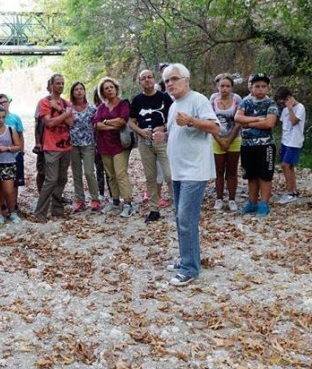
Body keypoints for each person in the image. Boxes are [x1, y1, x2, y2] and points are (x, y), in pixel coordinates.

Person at [153, 63, 220, 286]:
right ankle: (186, 260)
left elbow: (215, 127)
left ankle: (190, 268)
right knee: (181, 218)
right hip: (179, 171)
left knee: (186, 218)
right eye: (166, 81)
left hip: (195, 170)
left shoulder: (198, 100)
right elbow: (177, 130)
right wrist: (163, 133)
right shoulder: (173, 105)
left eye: (174, 79)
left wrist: (190, 120)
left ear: (186, 80)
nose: (170, 84)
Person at [129, 69, 174, 222]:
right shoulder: (137, 100)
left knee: (169, 174)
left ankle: (178, 207)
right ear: (140, 82)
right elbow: (130, 121)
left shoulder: (165, 98)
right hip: (144, 141)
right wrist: (140, 131)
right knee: (150, 176)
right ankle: (154, 209)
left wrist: (163, 127)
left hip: (162, 140)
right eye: (143, 78)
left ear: (154, 79)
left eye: (150, 77)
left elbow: (173, 117)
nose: (147, 80)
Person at [235, 73, 279, 216]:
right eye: (257, 86)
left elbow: (269, 123)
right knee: (251, 175)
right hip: (247, 145)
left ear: (268, 87)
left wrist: (247, 123)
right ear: (251, 88)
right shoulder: (245, 102)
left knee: (265, 175)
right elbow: (237, 118)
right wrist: (256, 120)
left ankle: (264, 203)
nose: (260, 89)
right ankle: (252, 202)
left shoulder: (271, 103)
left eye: (263, 86)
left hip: (265, 145)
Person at [33, 74, 74, 222]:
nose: (60, 86)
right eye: (57, 83)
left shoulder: (66, 103)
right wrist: (64, 115)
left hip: (66, 146)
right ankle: (40, 212)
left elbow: (71, 122)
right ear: (51, 85)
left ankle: (57, 209)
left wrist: (60, 111)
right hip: (51, 146)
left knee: (62, 179)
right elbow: (48, 123)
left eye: (62, 83)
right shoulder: (44, 102)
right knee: (51, 179)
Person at [94, 77, 135, 218]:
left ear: (116, 88)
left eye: (111, 87)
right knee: (111, 175)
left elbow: (122, 122)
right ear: (103, 92)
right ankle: (116, 201)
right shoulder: (101, 107)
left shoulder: (123, 103)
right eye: (106, 88)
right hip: (104, 145)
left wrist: (105, 122)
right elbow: (96, 125)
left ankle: (128, 203)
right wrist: (111, 123)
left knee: (120, 174)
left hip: (120, 144)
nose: (109, 90)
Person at [0, 94, 25, 209]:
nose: (0, 120)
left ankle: (12, 209)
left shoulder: (12, 125)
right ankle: (0, 211)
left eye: (3, 117)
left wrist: (12, 150)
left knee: (10, 188)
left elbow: (19, 142)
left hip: (10, 161)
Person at [210, 74, 242, 212]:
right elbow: (209, 120)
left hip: (234, 139)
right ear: (217, 86)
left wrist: (229, 140)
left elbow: (239, 121)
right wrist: (220, 140)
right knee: (219, 170)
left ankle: (232, 199)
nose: (224, 89)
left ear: (232, 87)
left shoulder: (237, 100)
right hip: (217, 138)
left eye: (228, 86)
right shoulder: (212, 99)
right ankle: (218, 199)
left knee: (232, 170)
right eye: (222, 86)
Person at [69, 82, 101, 213]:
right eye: (76, 89)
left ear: (84, 91)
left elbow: (97, 127)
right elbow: (67, 123)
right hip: (73, 144)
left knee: (89, 172)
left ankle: (95, 199)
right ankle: (79, 200)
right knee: (76, 173)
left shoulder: (92, 108)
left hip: (88, 143)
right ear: (72, 92)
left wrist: (97, 143)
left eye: (81, 89)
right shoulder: (69, 108)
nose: (79, 91)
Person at [274, 86, 306, 204]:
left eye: (283, 102)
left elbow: (293, 121)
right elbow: (284, 127)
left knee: (285, 165)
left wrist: (290, 108)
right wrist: (281, 144)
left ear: (288, 98)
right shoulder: (284, 110)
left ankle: (290, 193)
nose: (283, 105)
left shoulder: (300, 108)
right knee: (290, 167)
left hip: (294, 141)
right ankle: (294, 190)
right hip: (286, 142)